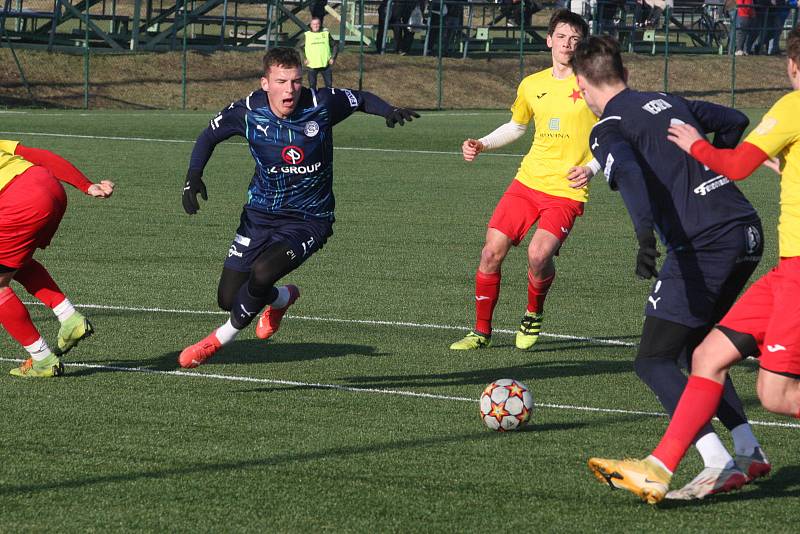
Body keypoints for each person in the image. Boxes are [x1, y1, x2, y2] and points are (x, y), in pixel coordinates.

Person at [584, 26, 800, 505]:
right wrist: (710, 169)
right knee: (703, 352)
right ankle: (734, 452)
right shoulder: (667, 99)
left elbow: (634, 175)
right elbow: (733, 118)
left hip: (708, 243)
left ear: (583, 88)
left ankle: (718, 459)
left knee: (656, 357)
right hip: (748, 230)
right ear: (626, 73)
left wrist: (645, 233)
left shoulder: (607, 126)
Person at [178, 47, 419, 368]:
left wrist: (388, 110)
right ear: (265, 83)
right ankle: (282, 298)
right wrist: (193, 177)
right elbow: (208, 135)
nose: (290, 89)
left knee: (262, 273)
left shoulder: (321, 103)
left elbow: (359, 98)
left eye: (295, 81)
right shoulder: (247, 110)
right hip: (259, 217)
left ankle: (218, 339)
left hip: (310, 219)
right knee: (228, 298)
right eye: (281, 81)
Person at [449, 9, 600, 352]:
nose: (567, 44)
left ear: (582, 46)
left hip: (566, 190)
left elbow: (616, 134)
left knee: (537, 255)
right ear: (549, 41)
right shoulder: (533, 84)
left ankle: (534, 312)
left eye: (575, 39)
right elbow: (517, 126)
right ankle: (480, 331)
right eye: (561, 37)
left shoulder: (593, 84)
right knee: (491, 252)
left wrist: (591, 168)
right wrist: (482, 143)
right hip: (528, 182)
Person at [0, 140, 114, 377]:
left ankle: (42, 359)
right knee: (13, 262)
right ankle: (69, 317)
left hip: (19, 201)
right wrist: (86, 185)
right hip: (48, 186)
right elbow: (38, 154)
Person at [301, 17, 338, 90]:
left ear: (320, 24)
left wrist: (333, 57)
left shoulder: (326, 34)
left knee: (329, 87)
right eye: (314, 24)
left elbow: (335, 45)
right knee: (312, 87)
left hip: (325, 65)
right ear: (311, 25)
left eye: (317, 24)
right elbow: (299, 47)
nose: (316, 26)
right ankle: (313, 100)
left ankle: (328, 100)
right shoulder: (307, 35)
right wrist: (304, 58)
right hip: (312, 66)